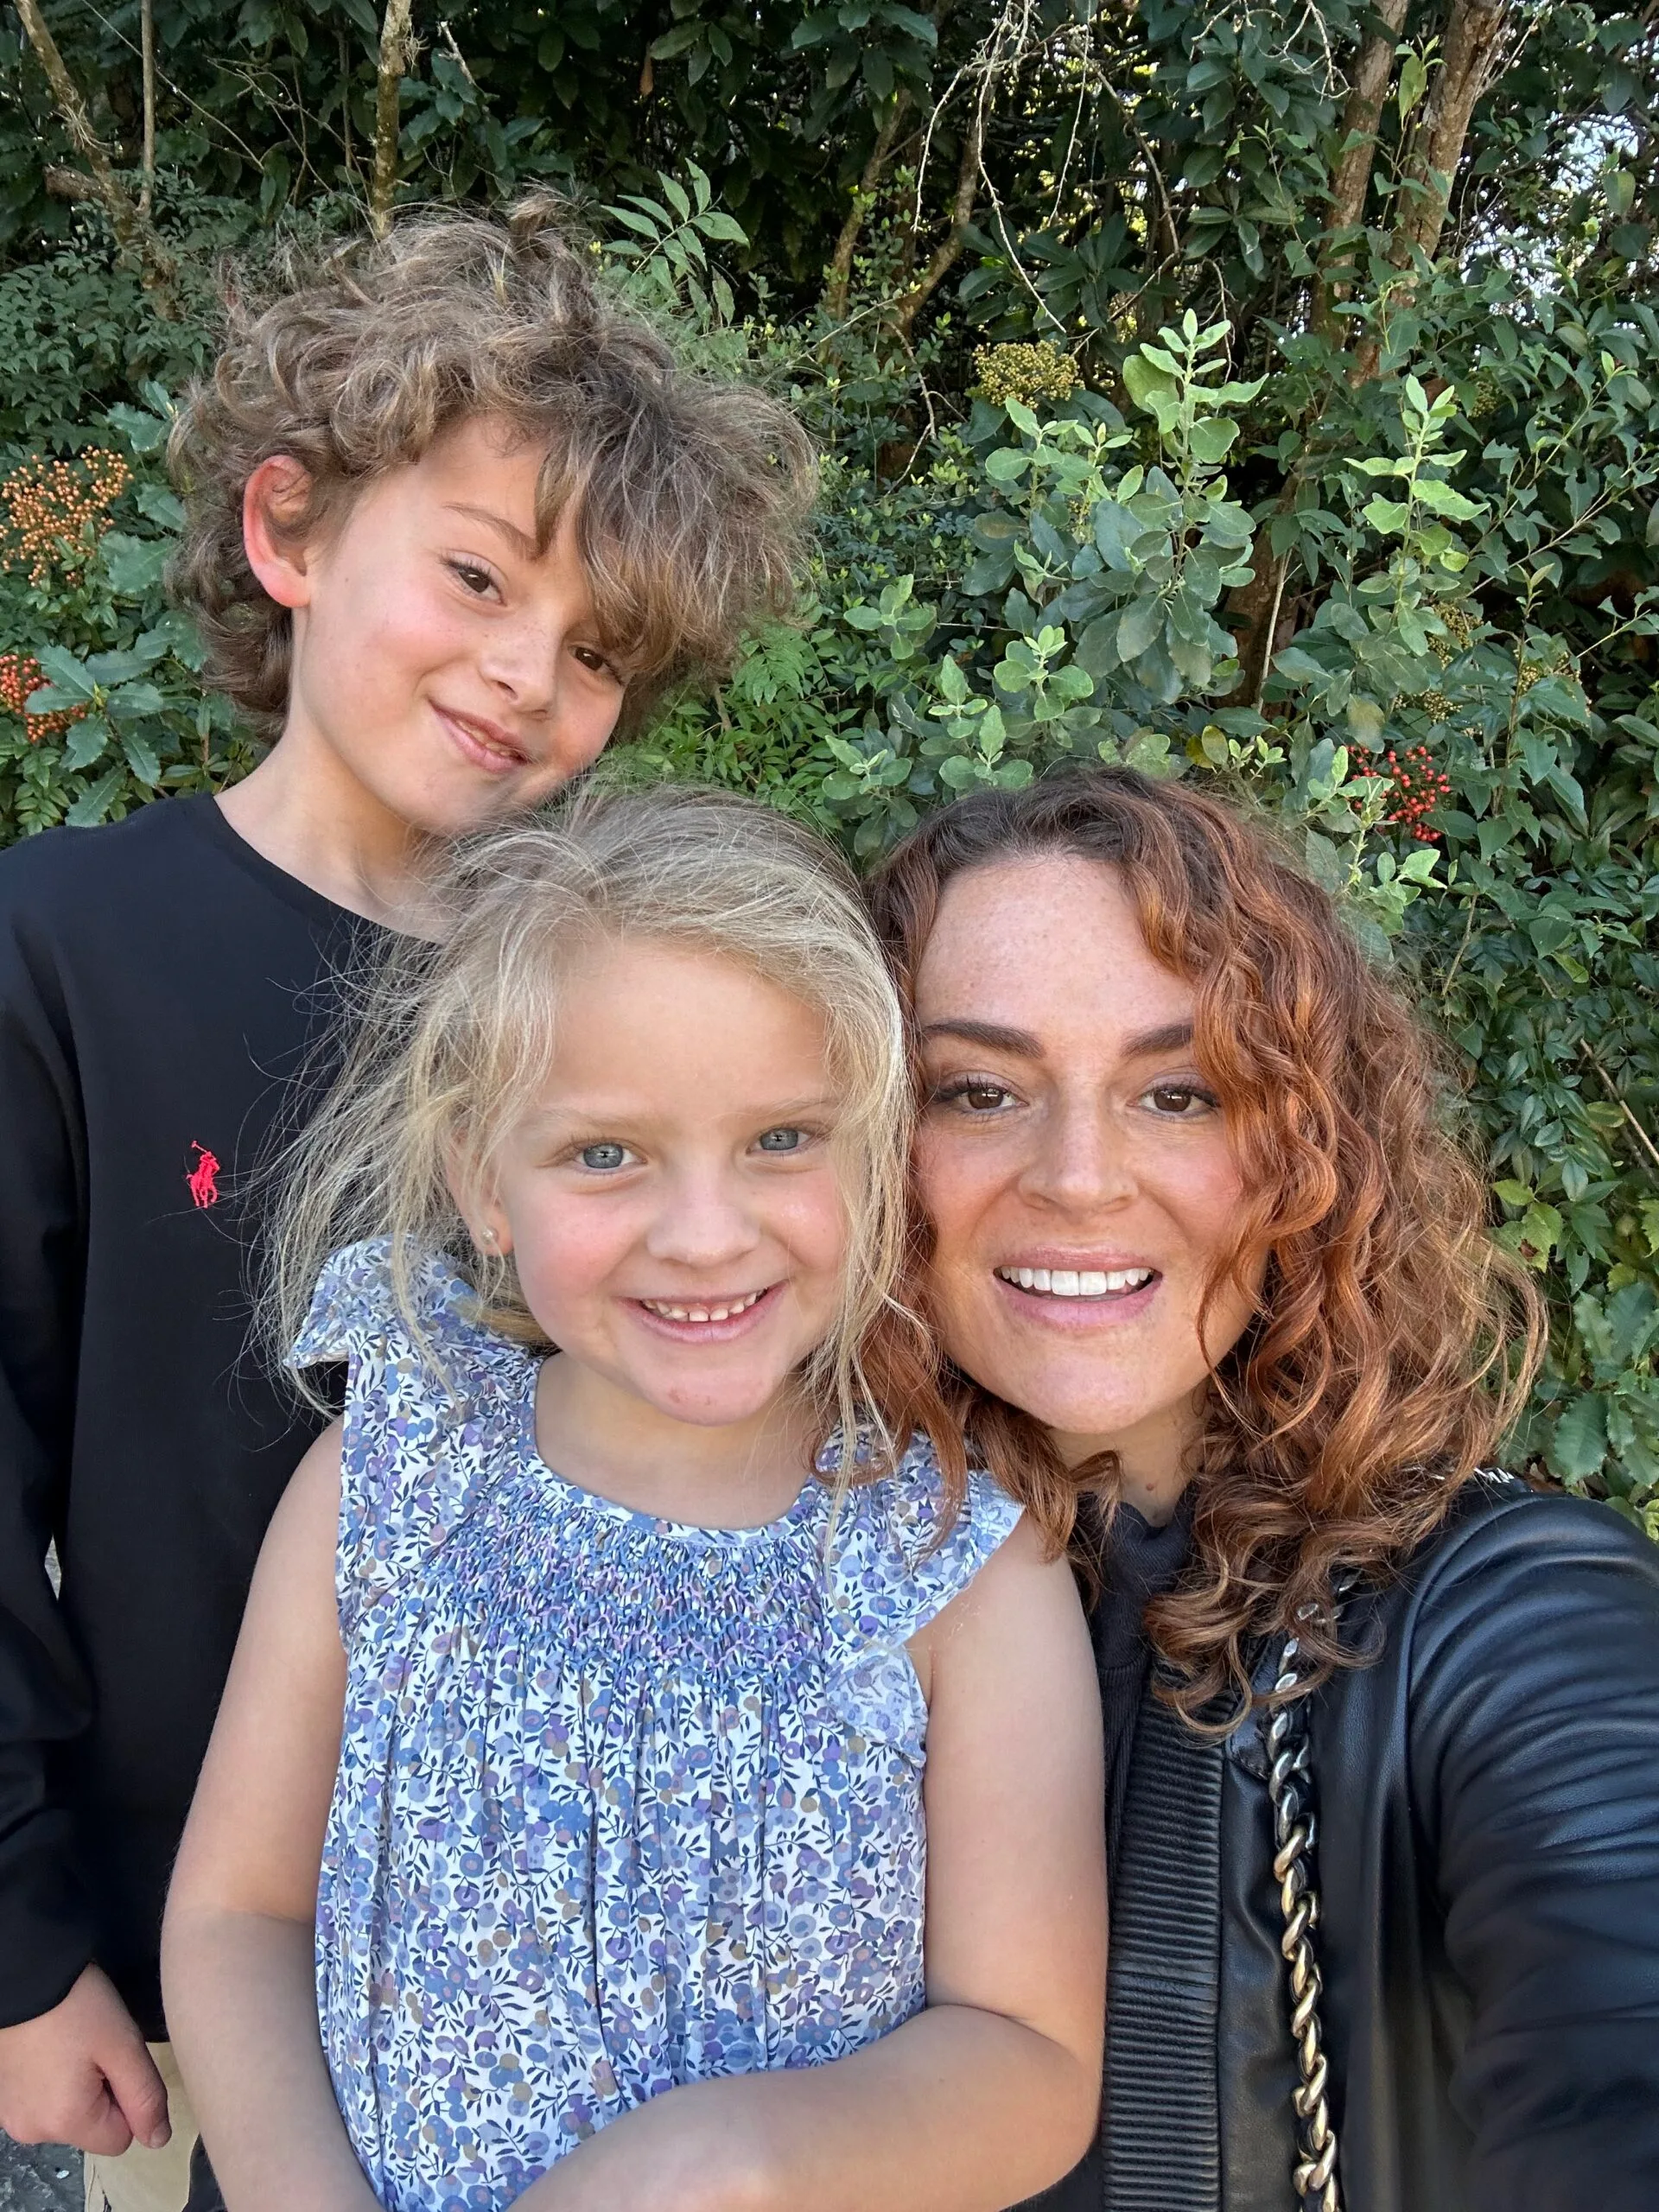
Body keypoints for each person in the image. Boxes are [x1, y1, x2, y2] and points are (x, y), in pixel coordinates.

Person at [0, 194, 815, 2212]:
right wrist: (18, 1942)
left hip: (599, 1968)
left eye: (601, 647)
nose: (527, 671)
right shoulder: (60, 950)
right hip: (204, 1945)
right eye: (475, 573)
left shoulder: (602, 996)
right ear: (288, 529)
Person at [159, 787, 1105, 2212]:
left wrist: (727, 2163)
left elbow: (1030, 2055)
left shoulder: (946, 1558)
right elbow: (239, 1911)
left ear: (875, 1154)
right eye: (605, 1154)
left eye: (785, 1139)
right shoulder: (399, 1472)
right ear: (485, 1180)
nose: (706, 1235)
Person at [866, 765, 1659, 2212]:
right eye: (978, 1092)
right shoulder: (773, 1594)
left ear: (1304, 1148)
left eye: (1181, 1092)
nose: (1082, 1177)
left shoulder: (1502, 1617)